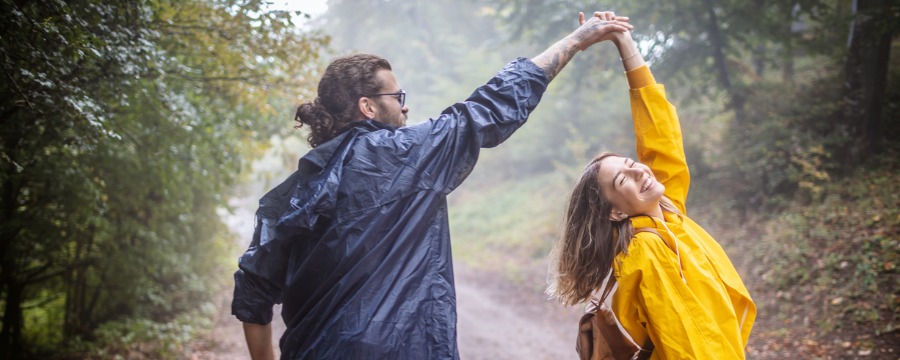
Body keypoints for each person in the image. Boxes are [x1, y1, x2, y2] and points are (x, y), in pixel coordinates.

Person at [232, 11, 633, 360]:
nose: (405, 105)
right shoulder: (406, 154)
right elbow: (490, 107)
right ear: (367, 107)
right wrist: (578, 40)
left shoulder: (286, 196)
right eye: (397, 95)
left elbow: (252, 292)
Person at [547, 18, 757, 359]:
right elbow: (689, 343)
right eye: (622, 180)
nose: (639, 172)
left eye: (632, 164)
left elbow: (661, 134)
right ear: (615, 211)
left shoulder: (668, 216)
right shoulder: (646, 250)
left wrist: (622, 40)